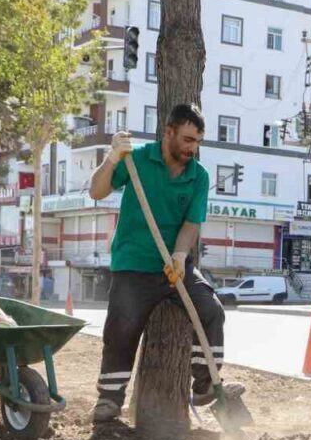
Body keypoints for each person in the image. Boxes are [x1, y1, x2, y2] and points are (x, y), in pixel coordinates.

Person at [87, 103, 225, 423]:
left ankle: (205, 384)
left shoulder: (198, 176)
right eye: (188, 140)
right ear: (168, 132)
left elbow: (192, 223)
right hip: (133, 264)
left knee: (212, 310)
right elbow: (97, 191)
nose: (193, 148)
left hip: (173, 266)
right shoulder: (136, 160)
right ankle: (109, 398)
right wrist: (111, 159)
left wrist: (179, 256)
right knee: (121, 329)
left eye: (197, 142)